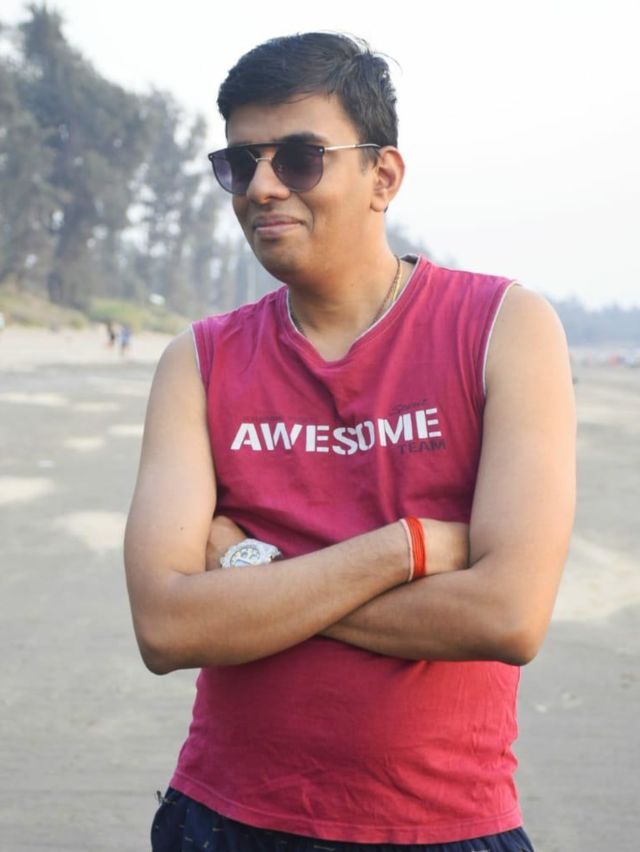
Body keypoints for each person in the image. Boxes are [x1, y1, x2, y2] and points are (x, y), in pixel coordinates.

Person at [124, 32, 576, 852]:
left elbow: (508, 615)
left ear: (384, 176)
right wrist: (408, 549)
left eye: (300, 158)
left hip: (442, 823)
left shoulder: (503, 329)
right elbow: (165, 627)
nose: (263, 187)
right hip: (223, 818)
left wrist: (250, 572)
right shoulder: (200, 360)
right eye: (240, 163)